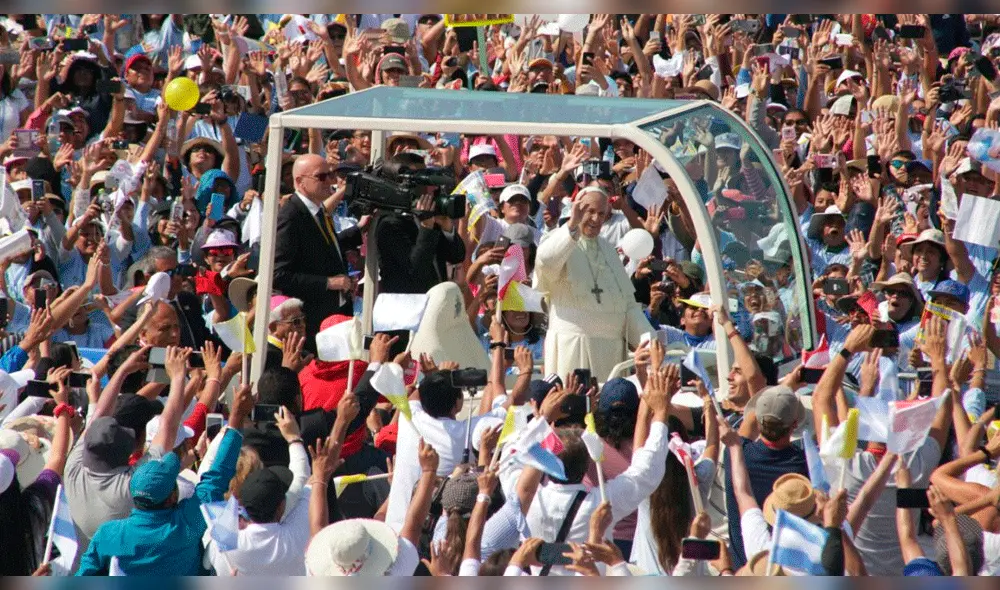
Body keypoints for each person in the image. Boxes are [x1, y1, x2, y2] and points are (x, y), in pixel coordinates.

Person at [535, 185, 652, 380]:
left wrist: (650, 340)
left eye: (601, 213)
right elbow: (545, 261)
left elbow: (628, 305)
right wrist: (572, 226)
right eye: (589, 211)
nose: (596, 219)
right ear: (576, 209)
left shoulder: (608, 250)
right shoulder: (559, 238)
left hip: (611, 352)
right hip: (572, 347)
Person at [274, 154, 362, 346]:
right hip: (312, 320)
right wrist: (328, 282)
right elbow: (279, 274)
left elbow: (324, 246)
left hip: (334, 313)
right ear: (299, 182)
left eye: (331, 175)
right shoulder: (291, 216)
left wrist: (359, 230)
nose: (330, 181)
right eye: (321, 177)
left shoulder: (318, 209)